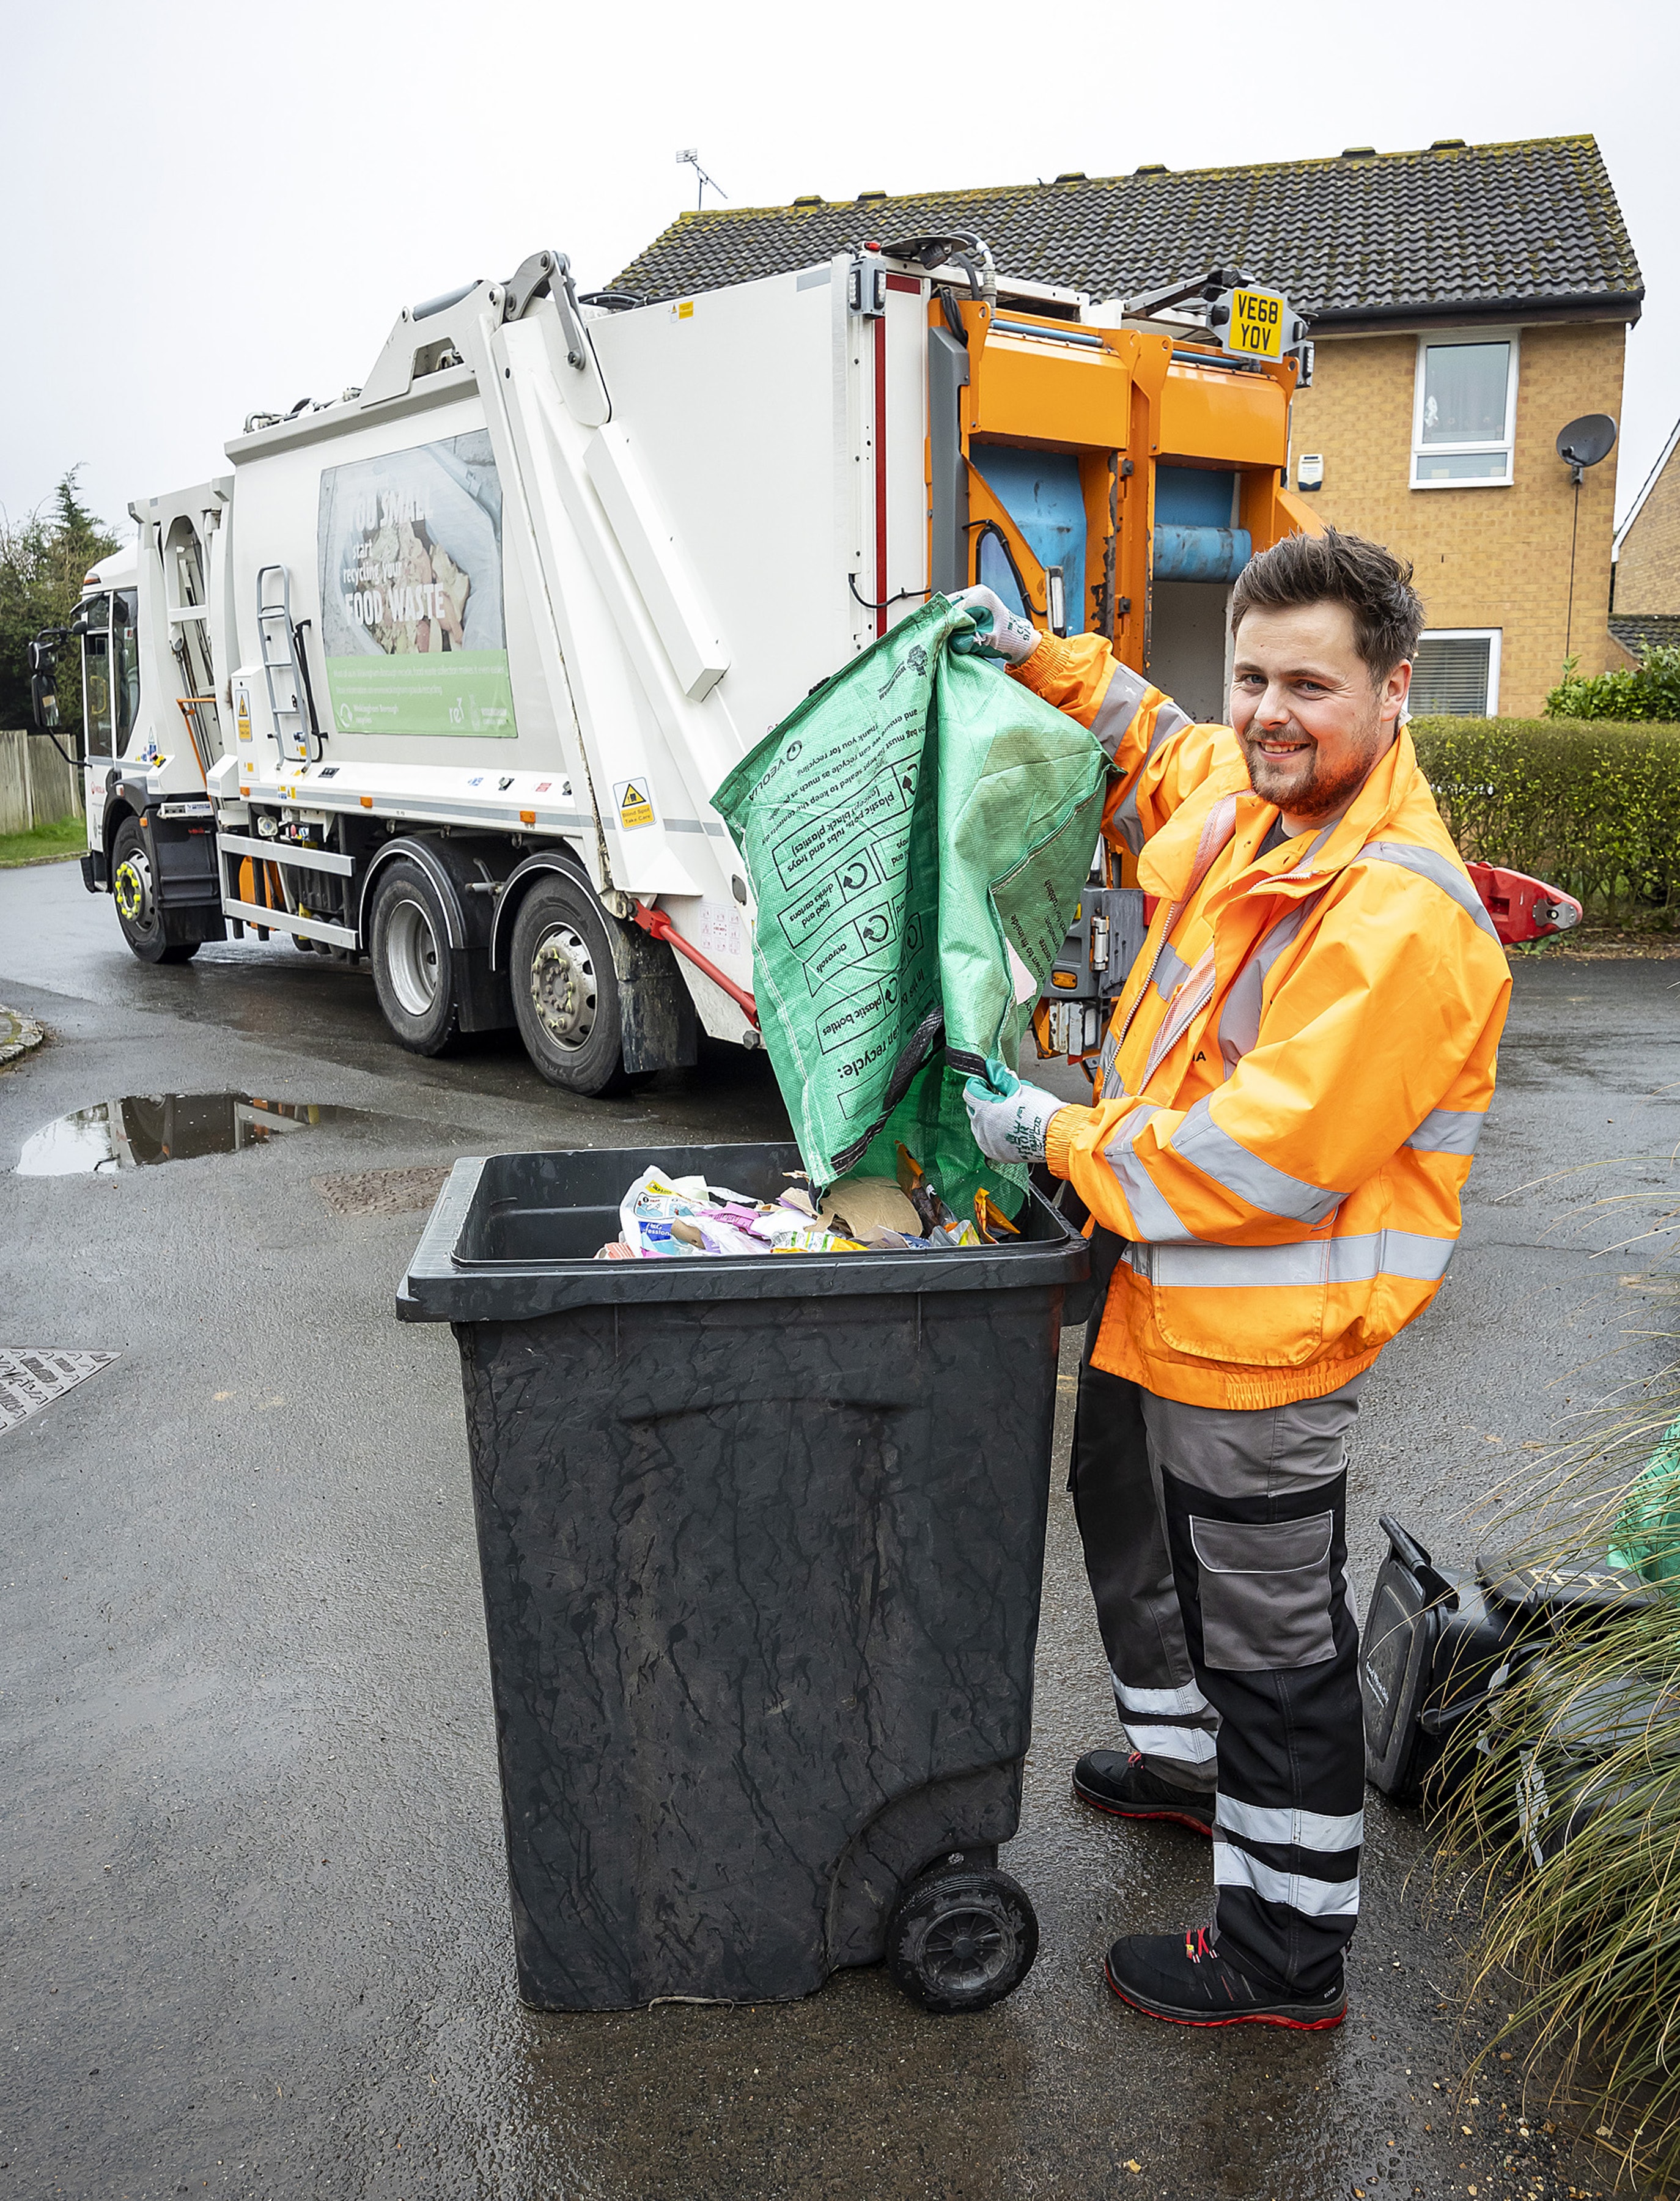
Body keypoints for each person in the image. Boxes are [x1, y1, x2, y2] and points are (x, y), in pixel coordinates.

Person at [953, 530, 1511, 2031]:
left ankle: (1283, 1951)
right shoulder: (1260, 808)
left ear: (1396, 693)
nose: (1268, 710)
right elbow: (1155, 739)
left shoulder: (1397, 919)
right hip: (1163, 1296)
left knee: (1272, 1649)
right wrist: (1030, 651)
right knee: (1123, 1521)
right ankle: (1178, 1762)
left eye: (1308, 685)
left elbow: (1262, 1158)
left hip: (1263, 1344)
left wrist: (1054, 1132)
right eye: (1253, 676)